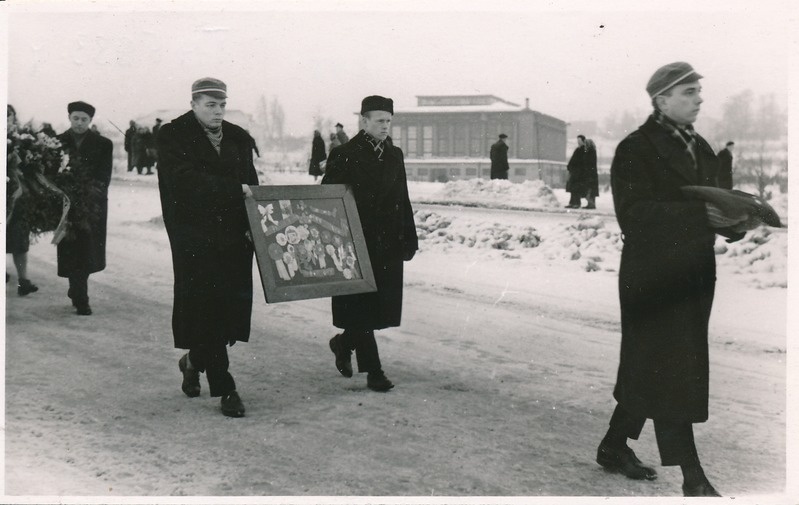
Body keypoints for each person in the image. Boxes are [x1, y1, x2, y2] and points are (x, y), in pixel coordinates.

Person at [597, 62, 756, 497]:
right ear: (661, 99)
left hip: (693, 274)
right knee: (672, 369)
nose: (699, 98)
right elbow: (633, 214)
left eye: (698, 91)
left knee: (653, 364)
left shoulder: (702, 148)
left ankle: (613, 446)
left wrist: (736, 220)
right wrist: (701, 215)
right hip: (651, 276)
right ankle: (693, 477)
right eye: (688, 92)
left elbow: (713, 206)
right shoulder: (636, 147)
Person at [157, 77, 258, 418]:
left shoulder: (238, 138)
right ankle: (225, 387)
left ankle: (193, 360)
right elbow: (183, 182)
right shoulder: (173, 136)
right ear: (194, 104)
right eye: (210, 105)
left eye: (222, 105)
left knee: (222, 311)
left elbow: (252, 185)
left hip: (231, 237)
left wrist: (254, 227)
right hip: (194, 238)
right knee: (208, 307)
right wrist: (234, 190)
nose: (217, 112)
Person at [322, 95, 418, 392]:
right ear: (363, 121)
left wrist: (409, 237)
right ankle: (374, 370)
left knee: (378, 308)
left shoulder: (395, 154)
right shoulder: (345, 154)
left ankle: (343, 342)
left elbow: (402, 198)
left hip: (387, 242)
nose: (385, 126)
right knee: (362, 306)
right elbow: (329, 199)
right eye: (379, 121)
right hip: (355, 242)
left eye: (389, 121)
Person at [56, 101, 113, 315]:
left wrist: (90, 194)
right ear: (69, 118)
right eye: (75, 118)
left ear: (90, 121)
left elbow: (104, 176)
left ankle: (78, 291)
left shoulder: (103, 143)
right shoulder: (58, 142)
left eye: (84, 119)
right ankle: (80, 294)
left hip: (92, 205)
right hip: (65, 204)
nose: (79, 123)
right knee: (70, 247)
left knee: (87, 249)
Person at [5, 105, 39, 296]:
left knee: (19, 238)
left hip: (17, 196)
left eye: (9, 117)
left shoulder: (20, 139)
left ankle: (23, 281)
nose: (7, 120)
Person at [565, 135, 587, 208]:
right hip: (574, 172)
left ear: (583, 141)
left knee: (576, 188)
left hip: (579, 173)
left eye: (579, 141)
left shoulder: (584, 150)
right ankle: (572, 202)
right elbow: (573, 159)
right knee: (572, 188)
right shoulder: (578, 149)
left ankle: (577, 203)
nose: (578, 142)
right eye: (578, 140)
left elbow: (581, 162)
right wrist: (570, 166)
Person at [583, 138, 599, 209]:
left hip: (590, 174)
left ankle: (591, 204)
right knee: (592, 190)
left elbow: (588, 163)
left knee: (589, 189)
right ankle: (591, 203)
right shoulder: (593, 151)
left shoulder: (590, 152)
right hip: (592, 174)